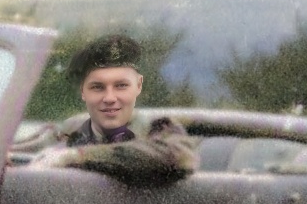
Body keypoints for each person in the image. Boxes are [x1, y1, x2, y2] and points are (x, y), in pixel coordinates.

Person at [30, 34, 198, 183]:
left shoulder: (159, 128)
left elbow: (175, 157)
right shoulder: (71, 130)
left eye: (121, 86)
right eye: (97, 87)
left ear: (138, 86)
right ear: (83, 91)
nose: (109, 98)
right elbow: (25, 150)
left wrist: (78, 156)